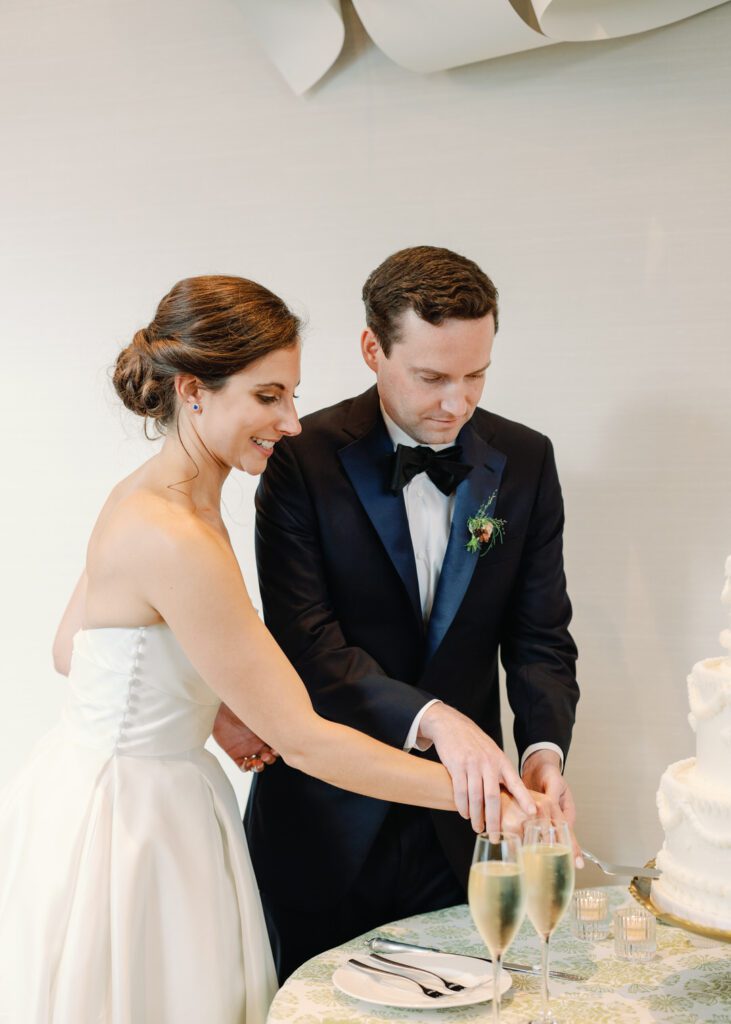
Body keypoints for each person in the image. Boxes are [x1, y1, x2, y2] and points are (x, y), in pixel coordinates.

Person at [0, 274, 523, 1024]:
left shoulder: (147, 493)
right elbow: (305, 741)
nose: (291, 421)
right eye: (267, 395)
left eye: (293, 396)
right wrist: (482, 801)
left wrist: (200, 700)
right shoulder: (176, 533)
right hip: (136, 832)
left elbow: (68, 649)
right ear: (193, 391)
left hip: (106, 795)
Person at [225, 246, 580, 982]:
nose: (457, 402)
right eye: (431, 377)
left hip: (465, 839)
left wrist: (543, 752)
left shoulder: (526, 460)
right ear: (371, 350)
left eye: (475, 374)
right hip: (324, 824)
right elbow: (308, 645)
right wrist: (438, 721)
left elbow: (540, 636)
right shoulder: (298, 457)